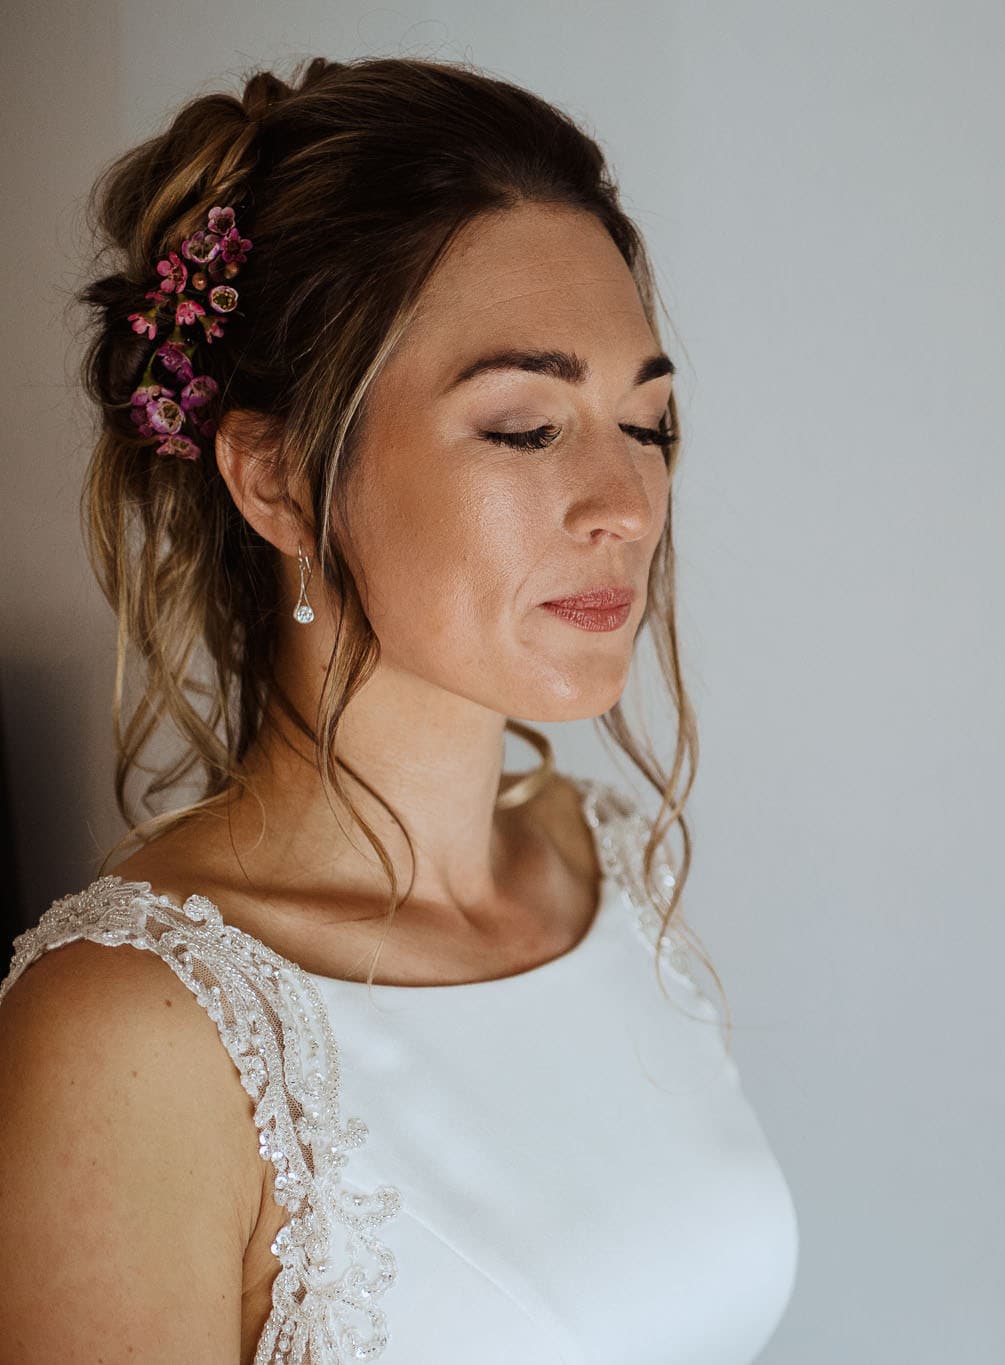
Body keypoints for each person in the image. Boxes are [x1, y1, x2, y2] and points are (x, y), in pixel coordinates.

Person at [0, 56, 797, 1364]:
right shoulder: (128, 1033)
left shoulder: (614, 869)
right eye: (529, 428)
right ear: (281, 480)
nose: (625, 503)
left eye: (647, 424)